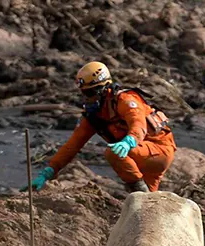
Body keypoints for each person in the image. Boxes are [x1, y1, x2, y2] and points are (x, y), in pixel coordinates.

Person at [23, 61, 176, 193]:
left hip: (157, 150)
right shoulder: (94, 116)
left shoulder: (124, 100)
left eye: (90, 92)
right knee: (148, 207)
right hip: (138, 156)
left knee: (113, 153)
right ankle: (144, 196)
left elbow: (138, 123)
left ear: (103, 88)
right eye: (84, 93)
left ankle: (140, 192)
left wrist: (129, 141)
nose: (87, 97)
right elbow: (72, 146)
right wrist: (50, 170)